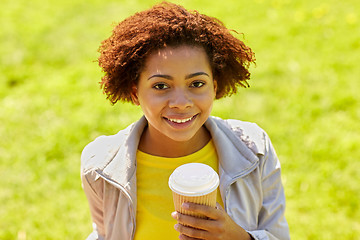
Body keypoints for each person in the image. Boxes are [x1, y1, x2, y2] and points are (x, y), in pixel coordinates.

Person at [81, 2, 290, 240]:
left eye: (196, 84)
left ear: (214, 86)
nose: (181, 102)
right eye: (161, 86)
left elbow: (278, 234)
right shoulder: (101, 166)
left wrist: (239, 236)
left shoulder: (254, 149)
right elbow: (104, 234)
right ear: (134, 92)